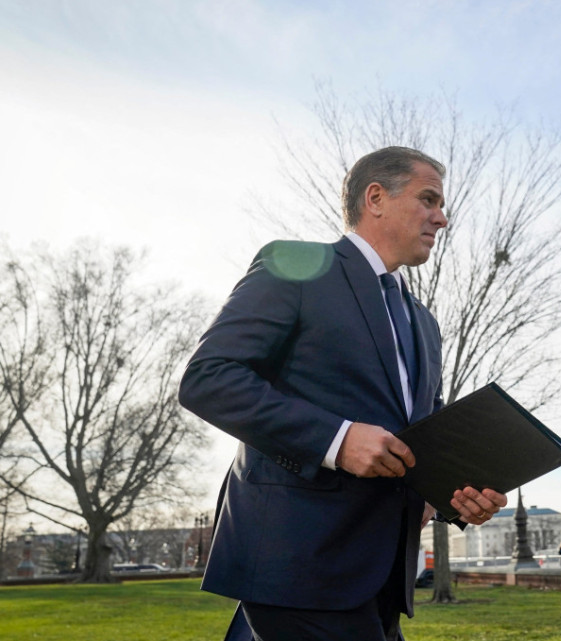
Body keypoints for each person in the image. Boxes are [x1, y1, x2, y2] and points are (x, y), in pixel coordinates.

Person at [179, 146, 507, 641]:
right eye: (428, 199)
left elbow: (421, 437)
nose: (442, 218)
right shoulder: (296, 267)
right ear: (376, 197)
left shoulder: (425, 324)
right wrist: (337, 440)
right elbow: (209, 378)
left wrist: (455, 495)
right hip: (297, 565)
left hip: (381, 581)